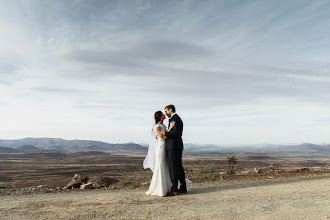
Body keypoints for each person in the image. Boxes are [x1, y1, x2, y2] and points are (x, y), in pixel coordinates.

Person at [159, 104, 189, 196]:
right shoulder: (176, 118)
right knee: (178, 167)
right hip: (177, 146)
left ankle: (175, 189)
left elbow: (175, 132)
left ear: (170, 110)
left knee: (173, 167)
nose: (165, 113)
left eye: (166, 111)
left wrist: (165, 133)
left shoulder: (174, 119)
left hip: (173, 146)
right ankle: (183, 187)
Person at [145, 111, 176, 196]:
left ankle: (166, 188)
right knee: (161, 166)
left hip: (165, 148)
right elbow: (165, 136)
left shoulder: (163, 126)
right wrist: (171, 128)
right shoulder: (157, 127)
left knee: (165, 166)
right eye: (162, 114)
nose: (164, 115)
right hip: (161, 148)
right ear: (160, 117)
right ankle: (160, 189)